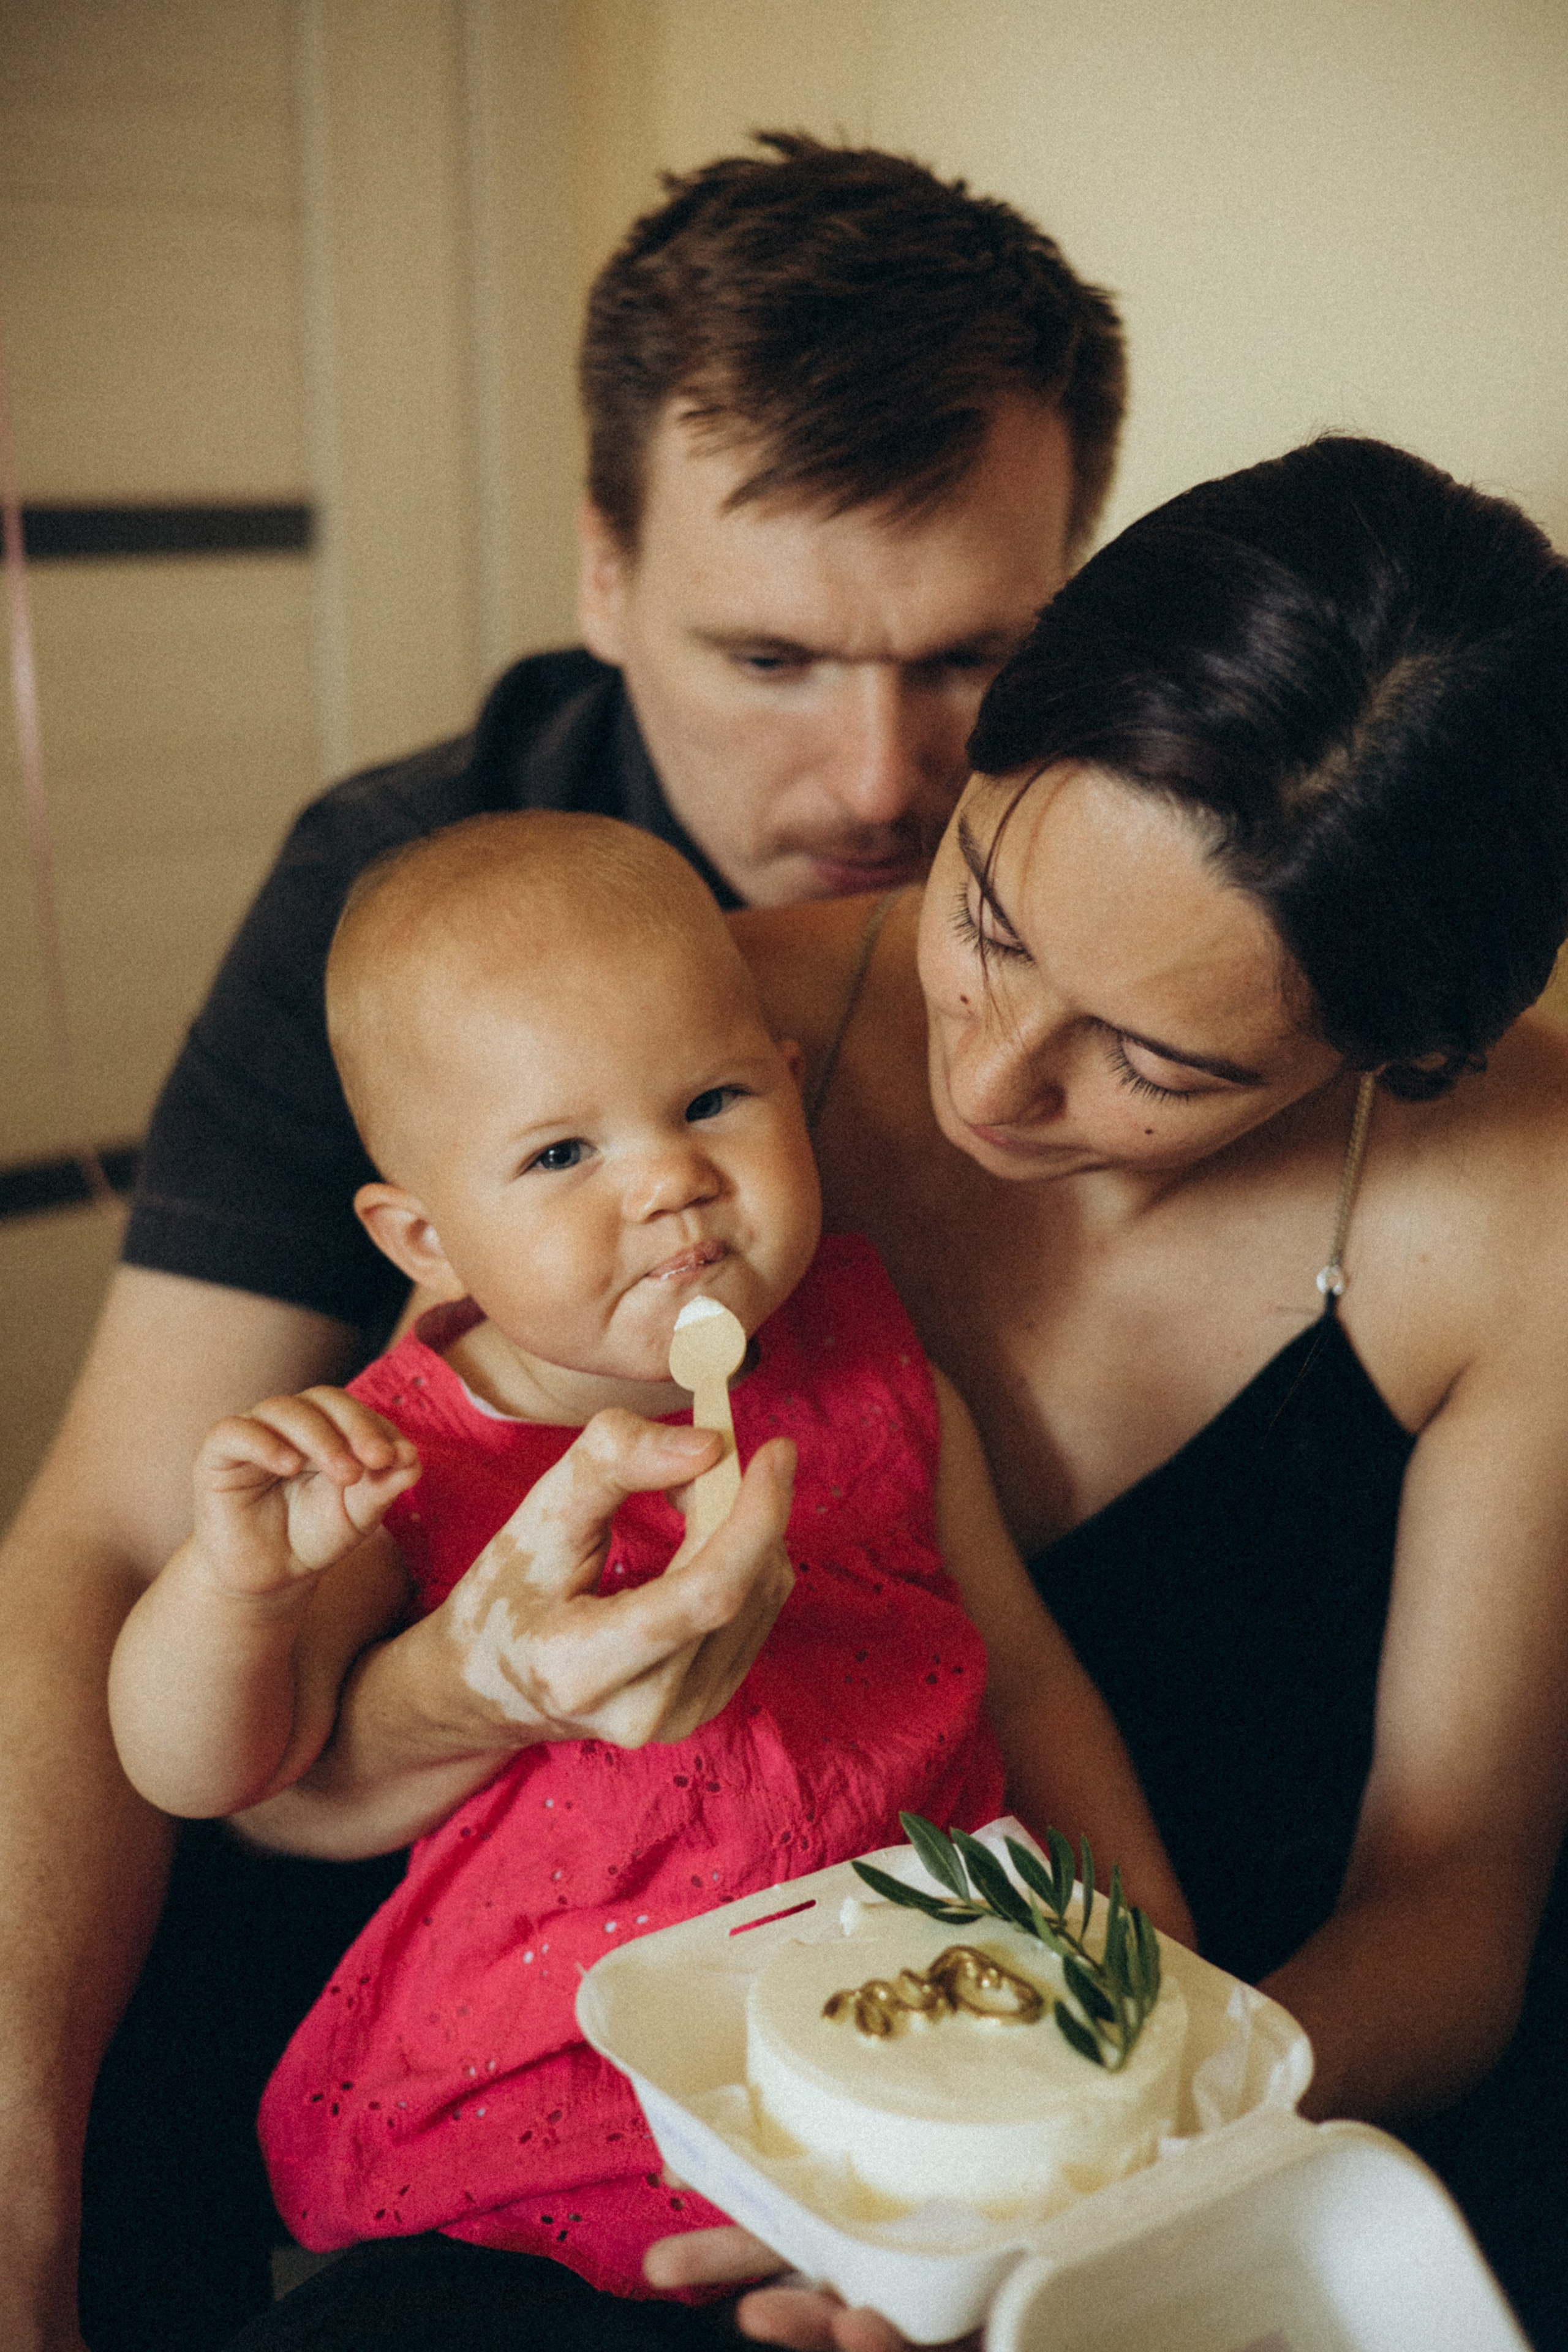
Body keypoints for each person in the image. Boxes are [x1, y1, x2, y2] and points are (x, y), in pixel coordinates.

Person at [0, 137, 1121, 2350]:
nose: (880, 779)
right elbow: (120, 1552)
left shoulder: (1128, 875)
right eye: (772, 657)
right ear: (604, 571)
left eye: (976, 658)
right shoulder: (415, 897)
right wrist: (19, 2200)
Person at [631, 434, 1568, 2349]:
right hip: (732, 2091)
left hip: (1276, 2100)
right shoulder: (693, 1050)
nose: (993, 1083)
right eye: (987, 918)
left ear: (1408, 1055)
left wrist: (1087, 2185)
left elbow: (1453, 1904)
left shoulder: (1525, 1207)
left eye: (1159, 1061)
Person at [108, 811, 1185, 2348]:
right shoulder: (404, 1453)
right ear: (425, 1236)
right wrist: (236, 1589)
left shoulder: (873, 1365)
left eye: (710, 1102)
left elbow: (1018, 1667)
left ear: (791, 1093)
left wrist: (1136, 1923)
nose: (671, 1184)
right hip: (554, 2105)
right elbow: (210, 1766)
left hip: (909, 2043)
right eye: (561, 1154)